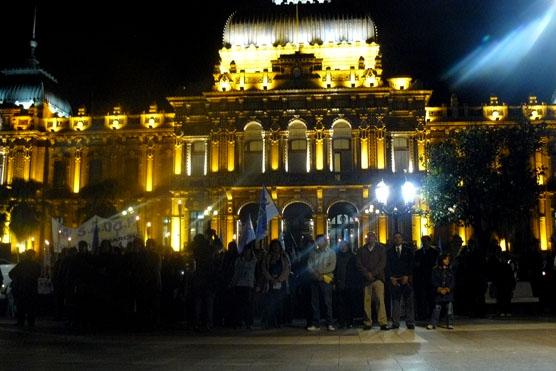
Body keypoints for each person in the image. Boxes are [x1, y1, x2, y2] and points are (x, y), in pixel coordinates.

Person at [356, 232, 389, 331]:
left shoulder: (381, 249)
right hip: (366, 280)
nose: (370, 238)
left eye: (372, 237)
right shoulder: (361, 250)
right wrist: (367, 274)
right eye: (368, 237)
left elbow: (382, 263)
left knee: (380, 300)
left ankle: (383, 322)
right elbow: (358, 264)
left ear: (375, 238)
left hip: (378, 279)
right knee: (367, 301)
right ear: (366, 239)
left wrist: (373, 274)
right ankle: (367, 322)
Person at [306, 234, 336, 331]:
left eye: (322, 240)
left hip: (326, 279)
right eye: (318, 241)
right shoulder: (313, 253)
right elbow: (309, 265)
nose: (320, 242)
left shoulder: (331, 252)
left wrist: (320, 274)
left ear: (326, 241)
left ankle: (330, 323)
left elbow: (332, 266)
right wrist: (315, 274)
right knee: (314, 302)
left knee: (328, 302)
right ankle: (316, 324)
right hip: (314, 279)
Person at [387, 232, 415, 329]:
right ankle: (396, 322)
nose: (397, 239)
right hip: (395, 279)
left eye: (399, 237)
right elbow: (387, 266)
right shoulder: (389, 252)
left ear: (402, 239)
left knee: (409, 301)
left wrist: (407, 275)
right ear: (393, 239)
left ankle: (410, 322)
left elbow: (411, 264)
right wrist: (391, 277)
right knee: (395, 301)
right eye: (395, 238)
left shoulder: (408, 251)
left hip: (406, 279)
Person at [261, 239, 291, 328]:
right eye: (274, 246)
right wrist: (270, 279)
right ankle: (271, 322)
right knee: (271, 303)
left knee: (280, 303)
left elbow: (287, 268)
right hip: (270, 283)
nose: (275, 247)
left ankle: (279, 321)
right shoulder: (267, 257)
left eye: (277, 246)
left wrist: (279, 279)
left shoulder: (284, 256)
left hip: (281, 283)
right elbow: (264, 268)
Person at [9, 250, 42, 327]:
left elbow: (11, 273)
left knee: (22, 306)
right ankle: (30, 322)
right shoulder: (35, 265)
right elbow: (38, 274)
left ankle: (21, 321)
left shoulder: (22, 264)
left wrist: (17, 279)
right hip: (30, 289)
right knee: (30, 307)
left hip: (22, 288)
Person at [230, 244, 258, 329]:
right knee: (239, 305)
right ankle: (238, 322)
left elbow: (256, 272)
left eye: (248, 250)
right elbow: (236, 273)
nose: (247, 252)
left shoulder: (254, 261)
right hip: (240, 284)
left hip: (249, 285)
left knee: (249, 305)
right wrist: (233, 283)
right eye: (245, 251)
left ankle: (248, 323)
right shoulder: (239, 260)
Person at [334, 240, 360, 329]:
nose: (343, 247)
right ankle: (341, 322)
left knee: (350, 303)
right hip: (340, 283)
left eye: (345, 245)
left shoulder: (353, 257)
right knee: (340, 304)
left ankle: (349, 321)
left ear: (348, 247)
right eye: (341, 246)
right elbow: (335, 270)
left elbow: (356, 271)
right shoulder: (337, 257)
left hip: (350, 283)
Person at [427, 253, 455, 330]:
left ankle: (450, 323)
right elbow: (433, 280)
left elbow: (452, 281)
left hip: (448, 293)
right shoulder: (435, 270)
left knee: (449, 309)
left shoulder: (450, 270)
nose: (447, 261)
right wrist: (439, 289)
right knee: (436, 308)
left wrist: (447, 289)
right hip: (438, 293)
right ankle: (433, 323)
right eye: (445, 259)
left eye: (448, 259)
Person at [414, 235, 439, 321]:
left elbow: (434, 264)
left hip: (431, 278)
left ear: (429, 242)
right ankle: (422, 315)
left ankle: (432, 315)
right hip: (421, 278)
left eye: (425, 241)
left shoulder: (434, 252)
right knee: (421, 298)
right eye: (422, 241)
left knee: (431, 297)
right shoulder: (418, 252)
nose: (424, 243)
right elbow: (416, 265)